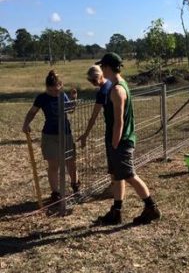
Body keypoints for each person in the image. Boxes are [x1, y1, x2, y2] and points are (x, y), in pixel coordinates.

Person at [94, 52, 161, 225]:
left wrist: (115, 143)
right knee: (117, 176)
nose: (101, 70)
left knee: (129, 175)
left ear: (108, 67)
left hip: (121, 141)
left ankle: (151, 207)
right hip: (117, 140)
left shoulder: (117, 90)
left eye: (102, 67)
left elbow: (119, 121)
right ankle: (116, 211)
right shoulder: (117, 85)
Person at [22, 70, 80, 203]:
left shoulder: (62, 95)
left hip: (65, 133)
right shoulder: (42, 98)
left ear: (61, 86)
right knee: (53, 165)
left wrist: (74, 99)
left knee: (70, 162)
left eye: (57, 90)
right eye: (52, 90)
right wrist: (26, 124)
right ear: (47, 88)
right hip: (49, 135)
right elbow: (32, 112)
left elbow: (70, 109)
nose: (55, 93)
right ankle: (56, 192)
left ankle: (75, 185)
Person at [77, 65, 112, 148]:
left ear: (101, 75)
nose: (93, 82)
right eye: (90, 80)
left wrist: (85, 134)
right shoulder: (110, 83)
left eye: (94, 80)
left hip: (112, 127)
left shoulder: (102, 93)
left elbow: (93, 117)